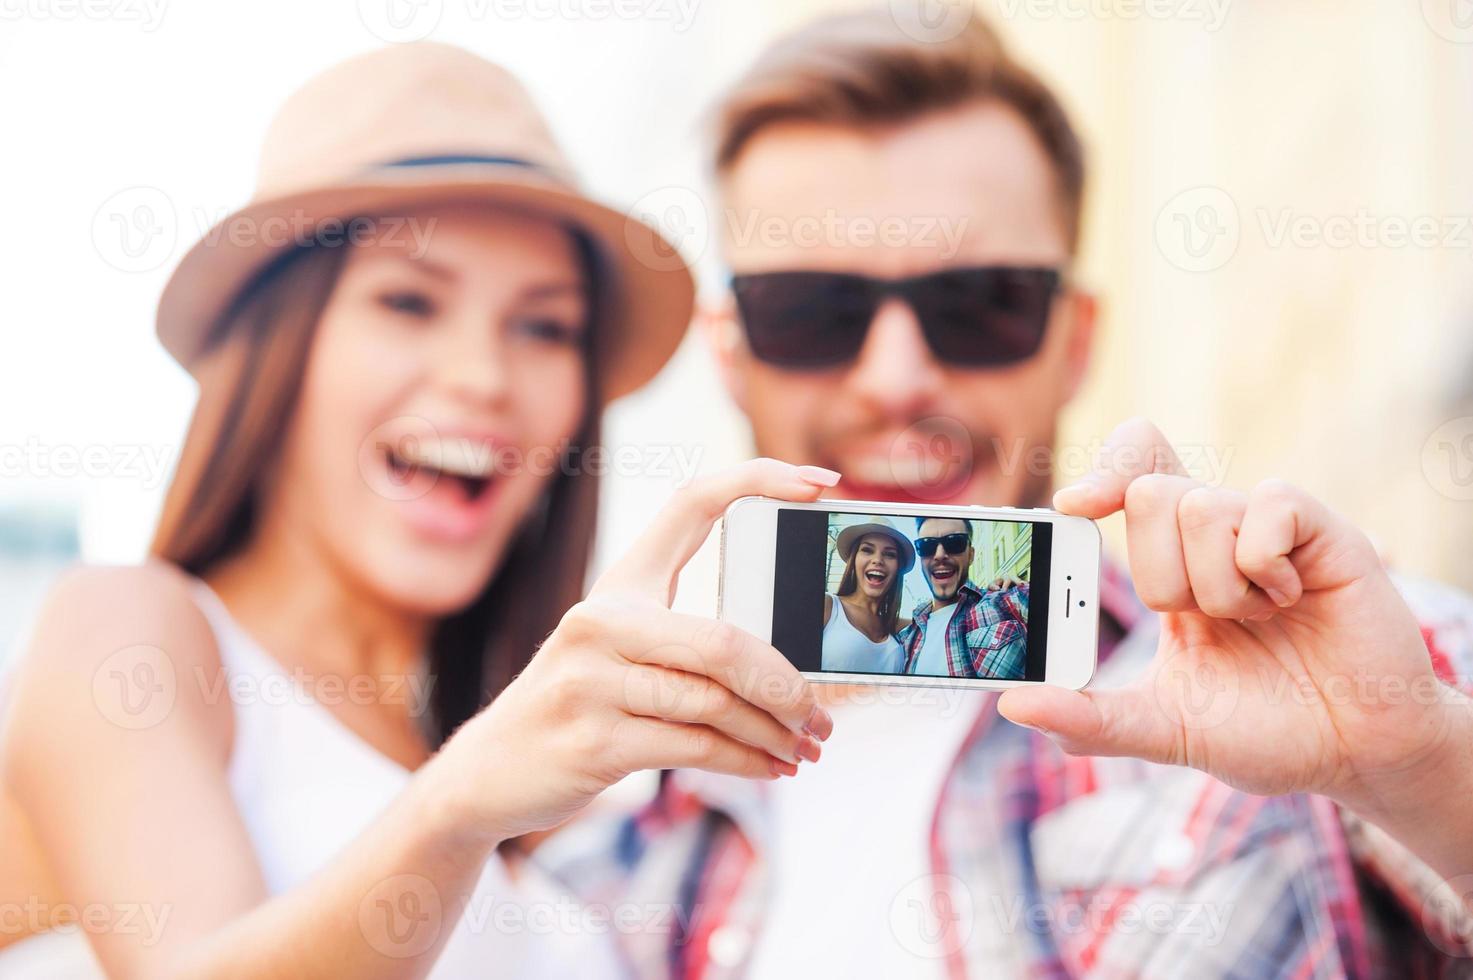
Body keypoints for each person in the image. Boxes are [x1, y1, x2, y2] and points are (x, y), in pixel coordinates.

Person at [535, 9, 1473, 978]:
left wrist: (1418, 765)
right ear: (731, 357)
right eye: (814, 313)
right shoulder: (603, 880)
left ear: (1073, 341)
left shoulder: (1346, 678)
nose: (895, 378)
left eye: (979, 304)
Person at [0, 43, 840, 978]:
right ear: (279, 351)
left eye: (544, 326)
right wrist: (463, 799)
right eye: (408, 301)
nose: (484, 378)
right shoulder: (134, 631)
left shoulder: (544, 803)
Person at [900, 518, 1029, 680]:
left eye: (955, 543)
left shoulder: (1006, 601)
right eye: (927, 546)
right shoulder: (906, 638)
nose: (939, 555)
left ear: (971, 555)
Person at [821, 519, 912, 674]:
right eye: (867, 550)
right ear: (853, 559)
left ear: (898, 568)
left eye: (890, 554)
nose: (877, 560)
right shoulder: (828, 605)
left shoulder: (898, 627)